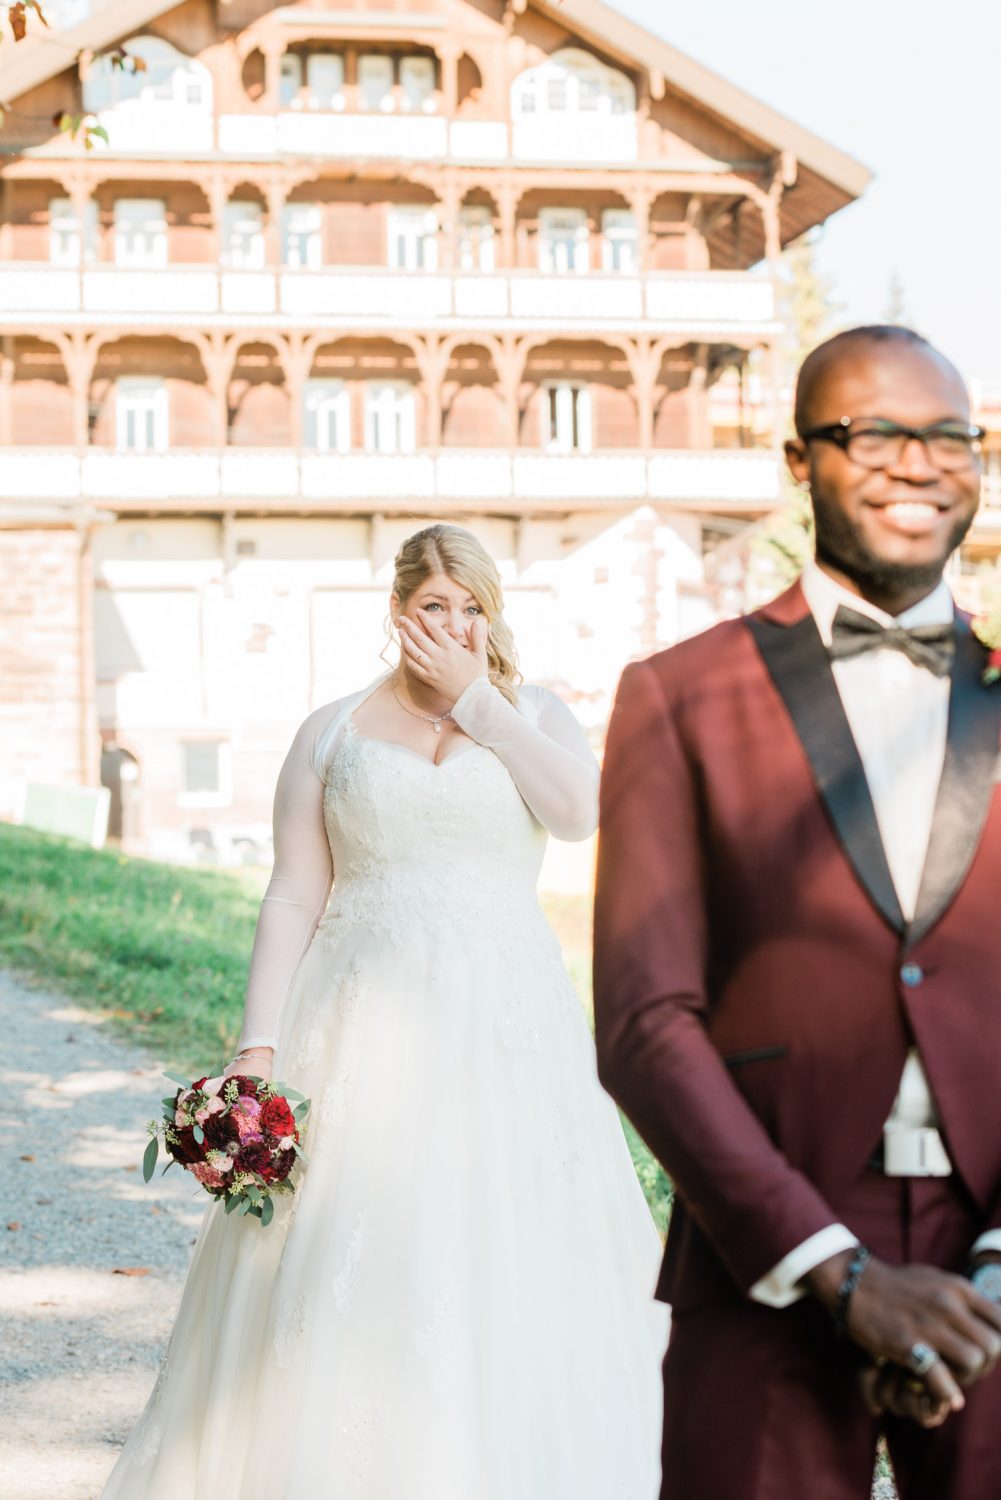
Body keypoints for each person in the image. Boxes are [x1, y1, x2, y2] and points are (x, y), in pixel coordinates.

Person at [102, 522, 666, 1500]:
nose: (451, 625)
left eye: (470, 608)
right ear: (397, 612)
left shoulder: (533, 713)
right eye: (431, 606)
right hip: (358, 1022)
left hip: (504, 1025)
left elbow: (582, 815)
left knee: (512, 1236)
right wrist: (256, 1046)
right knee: (337, 1244)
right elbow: (291, 894)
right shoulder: (332, 731)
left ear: (491, 616)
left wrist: (478, 703)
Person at [594, 326, 1001, 1500]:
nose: (916, 463)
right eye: (873, 433)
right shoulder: (676, 696)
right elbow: (642, 1024)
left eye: (948, 436)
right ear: (796, 460)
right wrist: (837, 1271)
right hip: (760, 1251)